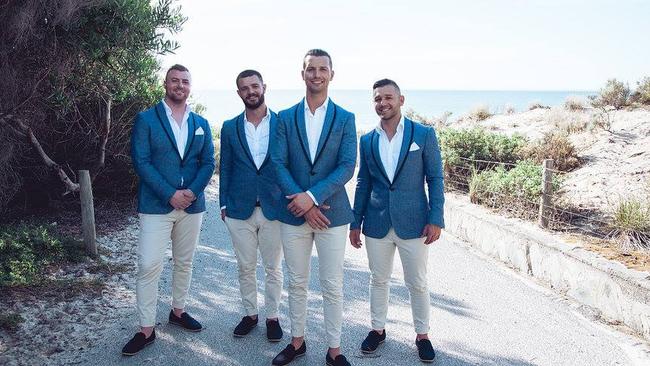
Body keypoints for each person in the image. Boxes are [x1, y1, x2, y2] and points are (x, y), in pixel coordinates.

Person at [269, 49, 356, 366]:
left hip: (332, 213)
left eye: (323, 69)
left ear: (332, 74)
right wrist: (303, 203)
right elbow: (277, 163)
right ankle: (297, 342)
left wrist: (314, 197)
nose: (316, 74)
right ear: (302, 74)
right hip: (293, 212)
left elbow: (347, 165)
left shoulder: (346, 118)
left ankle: (334, 349)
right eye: (310, 69)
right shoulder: (284, 118)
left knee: (332, 284)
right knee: (297, 282)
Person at [349, 79, 444, 363]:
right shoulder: (367, 140)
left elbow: (435, 178)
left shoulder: (423, 134)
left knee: (417, 282)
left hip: (414, 222)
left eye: (388, 97)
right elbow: (363, 181)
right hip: (376, 223)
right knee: (378, 280)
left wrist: (436, 217)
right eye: (377, 98)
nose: (383, 103)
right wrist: (355, 222)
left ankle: (422, 335)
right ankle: (377, 330)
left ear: (401, 100)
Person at [123, 64, 215, 356]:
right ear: (165, 84)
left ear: (190, 86)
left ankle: (178, 311)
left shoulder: (200, 122)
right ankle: (146, 329)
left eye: (185, 81)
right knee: (149, 264)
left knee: (184, 262)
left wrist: (191, 192)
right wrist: (169, 194)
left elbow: (208, 163)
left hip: (192, 205)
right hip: (156, 205)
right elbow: (142, 161)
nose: (180, 85)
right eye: (174, 80)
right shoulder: (146, 119)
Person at [219, 69, 284, 342]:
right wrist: (223, 203)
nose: (250, 91)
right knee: (245, 266)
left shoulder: (284, 123)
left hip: (274, 207)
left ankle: (272, 317)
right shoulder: (230, 126)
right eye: (244, 88)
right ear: (239, 93)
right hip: (239, 209)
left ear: (264, 87)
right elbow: (226, 166)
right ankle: (249, 314)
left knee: (273, 268)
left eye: (254, 86)